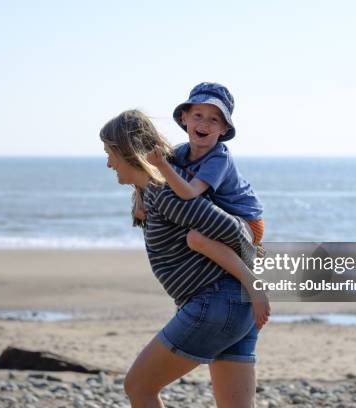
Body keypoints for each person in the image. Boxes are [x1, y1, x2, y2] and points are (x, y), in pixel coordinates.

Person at [100, 109, 268, 408]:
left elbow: (230, 228)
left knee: (139, 386)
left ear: (126, 151)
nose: (108, 162)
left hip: (216, 303)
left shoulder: (164, 193)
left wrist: (251, 277)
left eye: (109, 152)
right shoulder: (152, 192)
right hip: (234, 305)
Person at [146, 82, 268, 327]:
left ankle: (254, 285)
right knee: (184, 238)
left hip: (247, 222)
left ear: (223, 128)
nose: (204, 124)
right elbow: (151, 178)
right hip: (219, 218)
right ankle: (192, 298)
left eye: (214, 119)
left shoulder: (219, 157)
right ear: (184, 118)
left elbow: (190, 193)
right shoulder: (179, 153)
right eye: (198, 115)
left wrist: (162, 166)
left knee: (195, 239)